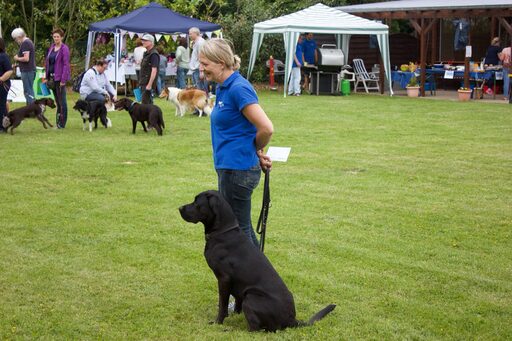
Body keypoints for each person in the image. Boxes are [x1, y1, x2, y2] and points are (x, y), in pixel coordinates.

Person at [199, 38, 273, 247]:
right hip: (230, 167)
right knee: (242, 227)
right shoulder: (223, 87)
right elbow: (245, 127)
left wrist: (255, 149)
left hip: (237, 170)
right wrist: (257, 152)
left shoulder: (238, 88)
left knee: (238, 230)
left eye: (205, 64)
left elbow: (266, 128)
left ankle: (258, 276)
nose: (202, 68)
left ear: (221, 63)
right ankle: (259, 275)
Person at [44, 28, 71, 129]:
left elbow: (66, 65)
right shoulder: (51, 47)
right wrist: (46, 77)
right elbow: (48, 62)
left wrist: (63, 80)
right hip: (51, 78)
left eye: (58, 37)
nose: (56, 38)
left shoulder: (64, 48)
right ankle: (58, 122)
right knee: (57, 102)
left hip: (60, 79)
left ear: (62, 37)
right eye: (54, 36)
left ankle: (62, 124)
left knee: (62, 102)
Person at [11, 28, 36, 104]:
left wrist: (17, 58)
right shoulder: (28, 42)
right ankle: (31, 109)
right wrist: (18, 64)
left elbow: (26, 58)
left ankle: (31, 109)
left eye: (15, 39)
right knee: (29, 90)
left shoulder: (25, 43)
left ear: (19, 37)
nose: (15, 41)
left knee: (28, 91)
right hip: (29, 70)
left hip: (27, 71)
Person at [138, 34, 159, 104]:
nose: (143, 42)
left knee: (147, 105)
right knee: (145, 105)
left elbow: (154, 70)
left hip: (147, 83)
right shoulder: (146, 53)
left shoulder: (154, 54)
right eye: (142, 40)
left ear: (151, 42)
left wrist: (149, 85)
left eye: (145, 40)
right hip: (143, 82)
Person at [189, 27, 208, 94]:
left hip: (198, 69)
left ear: (195, 33)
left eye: (190, 34)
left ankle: (204, 103)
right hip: (196, 69)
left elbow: (202, 58)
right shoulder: (196, 43)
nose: (189, 35)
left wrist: (201, 71)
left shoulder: (200, 43)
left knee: (201, 90)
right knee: (198, 90)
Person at [0, 38, 13, 133]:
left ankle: (3, 126)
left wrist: (1, 79)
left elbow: (9, 71)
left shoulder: (3, 56)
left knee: (1, 105)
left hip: (2, 84)